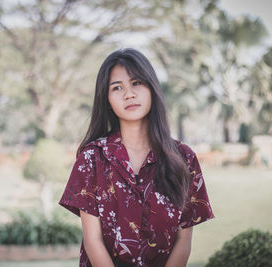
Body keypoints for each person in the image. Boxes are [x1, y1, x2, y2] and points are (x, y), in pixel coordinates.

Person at [58, 48, 214, 267]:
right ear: (107, 99)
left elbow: (184, 240)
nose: (128, 94)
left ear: (152, 88)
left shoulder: (184, 158)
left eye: (137, 83)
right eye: (117, 87)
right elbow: (93, 240)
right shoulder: (92, 158)